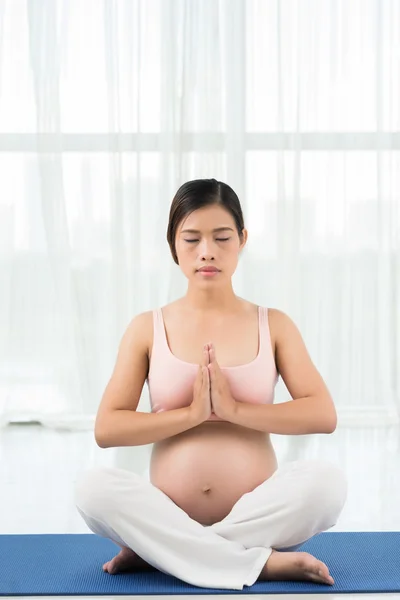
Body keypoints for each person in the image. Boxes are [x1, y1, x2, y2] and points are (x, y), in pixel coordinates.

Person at [74, 178, 347, 590]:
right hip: (170, 509)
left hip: (258, 516)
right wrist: (190, 415)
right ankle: (260, 564)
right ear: (173, 245)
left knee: (328, 484)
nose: (207, 251)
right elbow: (107, 428)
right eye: (191, 239)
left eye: (222, 237)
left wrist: (235, 411)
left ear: (242, 239)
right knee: (92, 488)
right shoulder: (147, 328)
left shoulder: (273, 324)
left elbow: (323, 414)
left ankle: (164, 552)